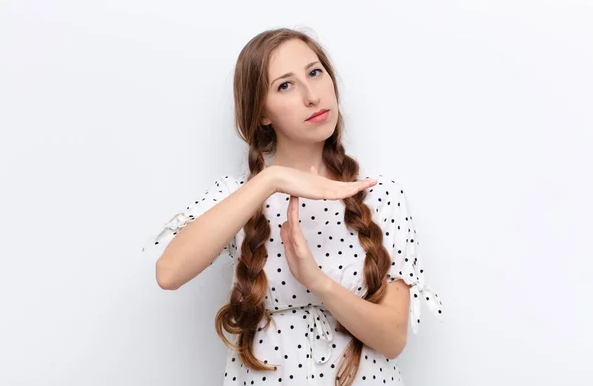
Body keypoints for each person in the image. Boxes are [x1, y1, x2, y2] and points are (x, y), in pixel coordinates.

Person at [142, 27, 445, 386]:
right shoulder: (240, 193)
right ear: (262, 113)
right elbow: (169, 273)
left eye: (315, 73)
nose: (312, 96)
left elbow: (393, 340)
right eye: (285, 85)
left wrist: (317, 281)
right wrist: (271, 180)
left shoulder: (381, 196)